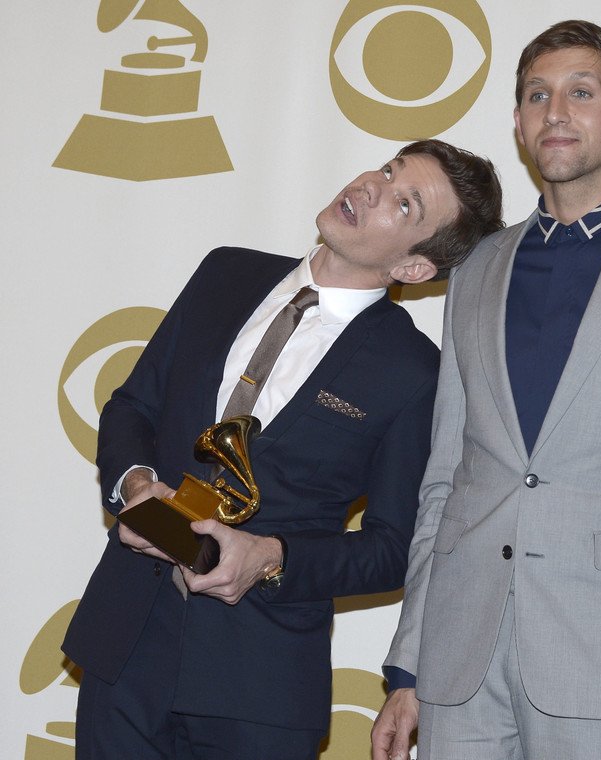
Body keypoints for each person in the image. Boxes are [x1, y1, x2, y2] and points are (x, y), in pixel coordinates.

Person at [371, 19, 601, 760]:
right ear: (518, 123)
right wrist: (409, 664)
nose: (555, 112)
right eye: (536, 95)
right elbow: (446, 478)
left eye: (582, 92)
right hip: (460, 662)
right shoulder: (476, 268)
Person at [62, 138, 504, 759]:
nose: (371, 187)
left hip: (259, 680)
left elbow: (391, 547)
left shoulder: (413, 372)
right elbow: (133, 406)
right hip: (126, 642)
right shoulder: (225, 273)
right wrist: (136, 487)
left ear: (413, 268)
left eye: (405, 204)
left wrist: (271, 557)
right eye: (387, 170)